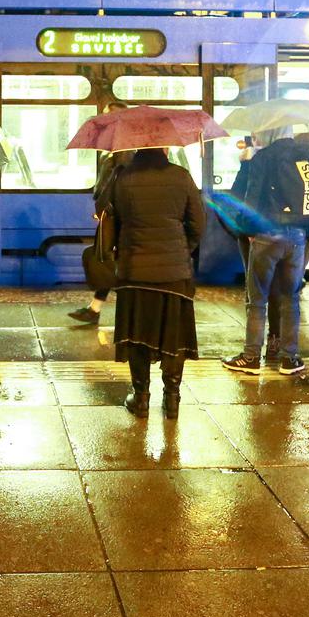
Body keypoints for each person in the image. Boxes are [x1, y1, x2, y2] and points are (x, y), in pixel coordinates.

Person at [110, 148, 206, 418]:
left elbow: (112, 221)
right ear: (165, 148)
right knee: (173, 336)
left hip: (134, 270)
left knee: (137, 335)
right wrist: (181, 250)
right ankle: (172, 399)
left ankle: (141, 398)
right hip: (174, 273)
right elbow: (198, 224)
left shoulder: (123, 177)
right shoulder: (181, 176)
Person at [223, 127, 309, 377]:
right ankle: (289, 358)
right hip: (298, 235)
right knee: (291, 299)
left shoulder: (263, 157)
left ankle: (251, 357)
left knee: (257, 299)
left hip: (267, 235)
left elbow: (251, 199)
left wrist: (248, 230)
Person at [71, 103, 129, 324]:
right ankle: (94, 309)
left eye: (106, 116)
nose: (102, 120)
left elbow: (118, 183)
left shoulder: (123, 151)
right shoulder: (115, 148)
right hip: (110, 214)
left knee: (110, 261)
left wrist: (107, 208)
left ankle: (99, 310)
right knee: (109, 261)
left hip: (116, 216)